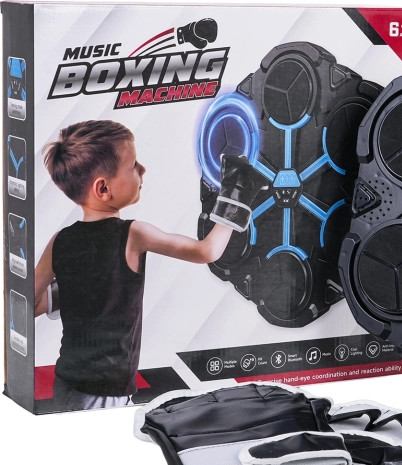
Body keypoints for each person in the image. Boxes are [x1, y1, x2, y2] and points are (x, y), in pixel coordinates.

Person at [34, 119, 259, 411]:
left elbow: (27, 302)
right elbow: (207, 251)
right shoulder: (134, 234)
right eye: (133, 166)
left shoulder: (60, 240)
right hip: (104, 394)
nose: (142, 170)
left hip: (65, 381)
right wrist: (237, 191)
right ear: (103, 188)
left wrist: (80, 289)